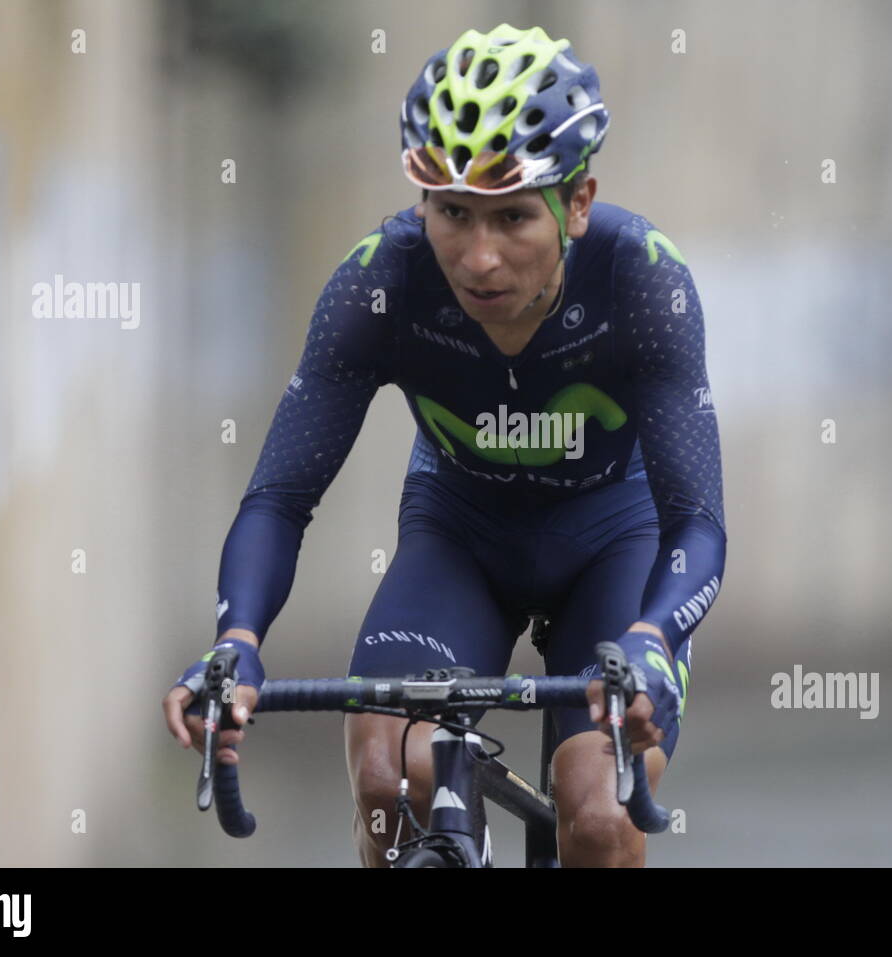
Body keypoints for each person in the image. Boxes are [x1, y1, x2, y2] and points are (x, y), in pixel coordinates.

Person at [163, 23, 727, 867]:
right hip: (463, 535)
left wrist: (652, 634)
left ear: (577, 204)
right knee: (391, 773)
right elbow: (279, 499)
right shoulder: (381, 282)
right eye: (452, 213)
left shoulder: (642, 279)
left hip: (618, 539)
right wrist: (237, 638)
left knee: (599, 812)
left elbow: (697, 522)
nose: (479, 257)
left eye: (512, 217)